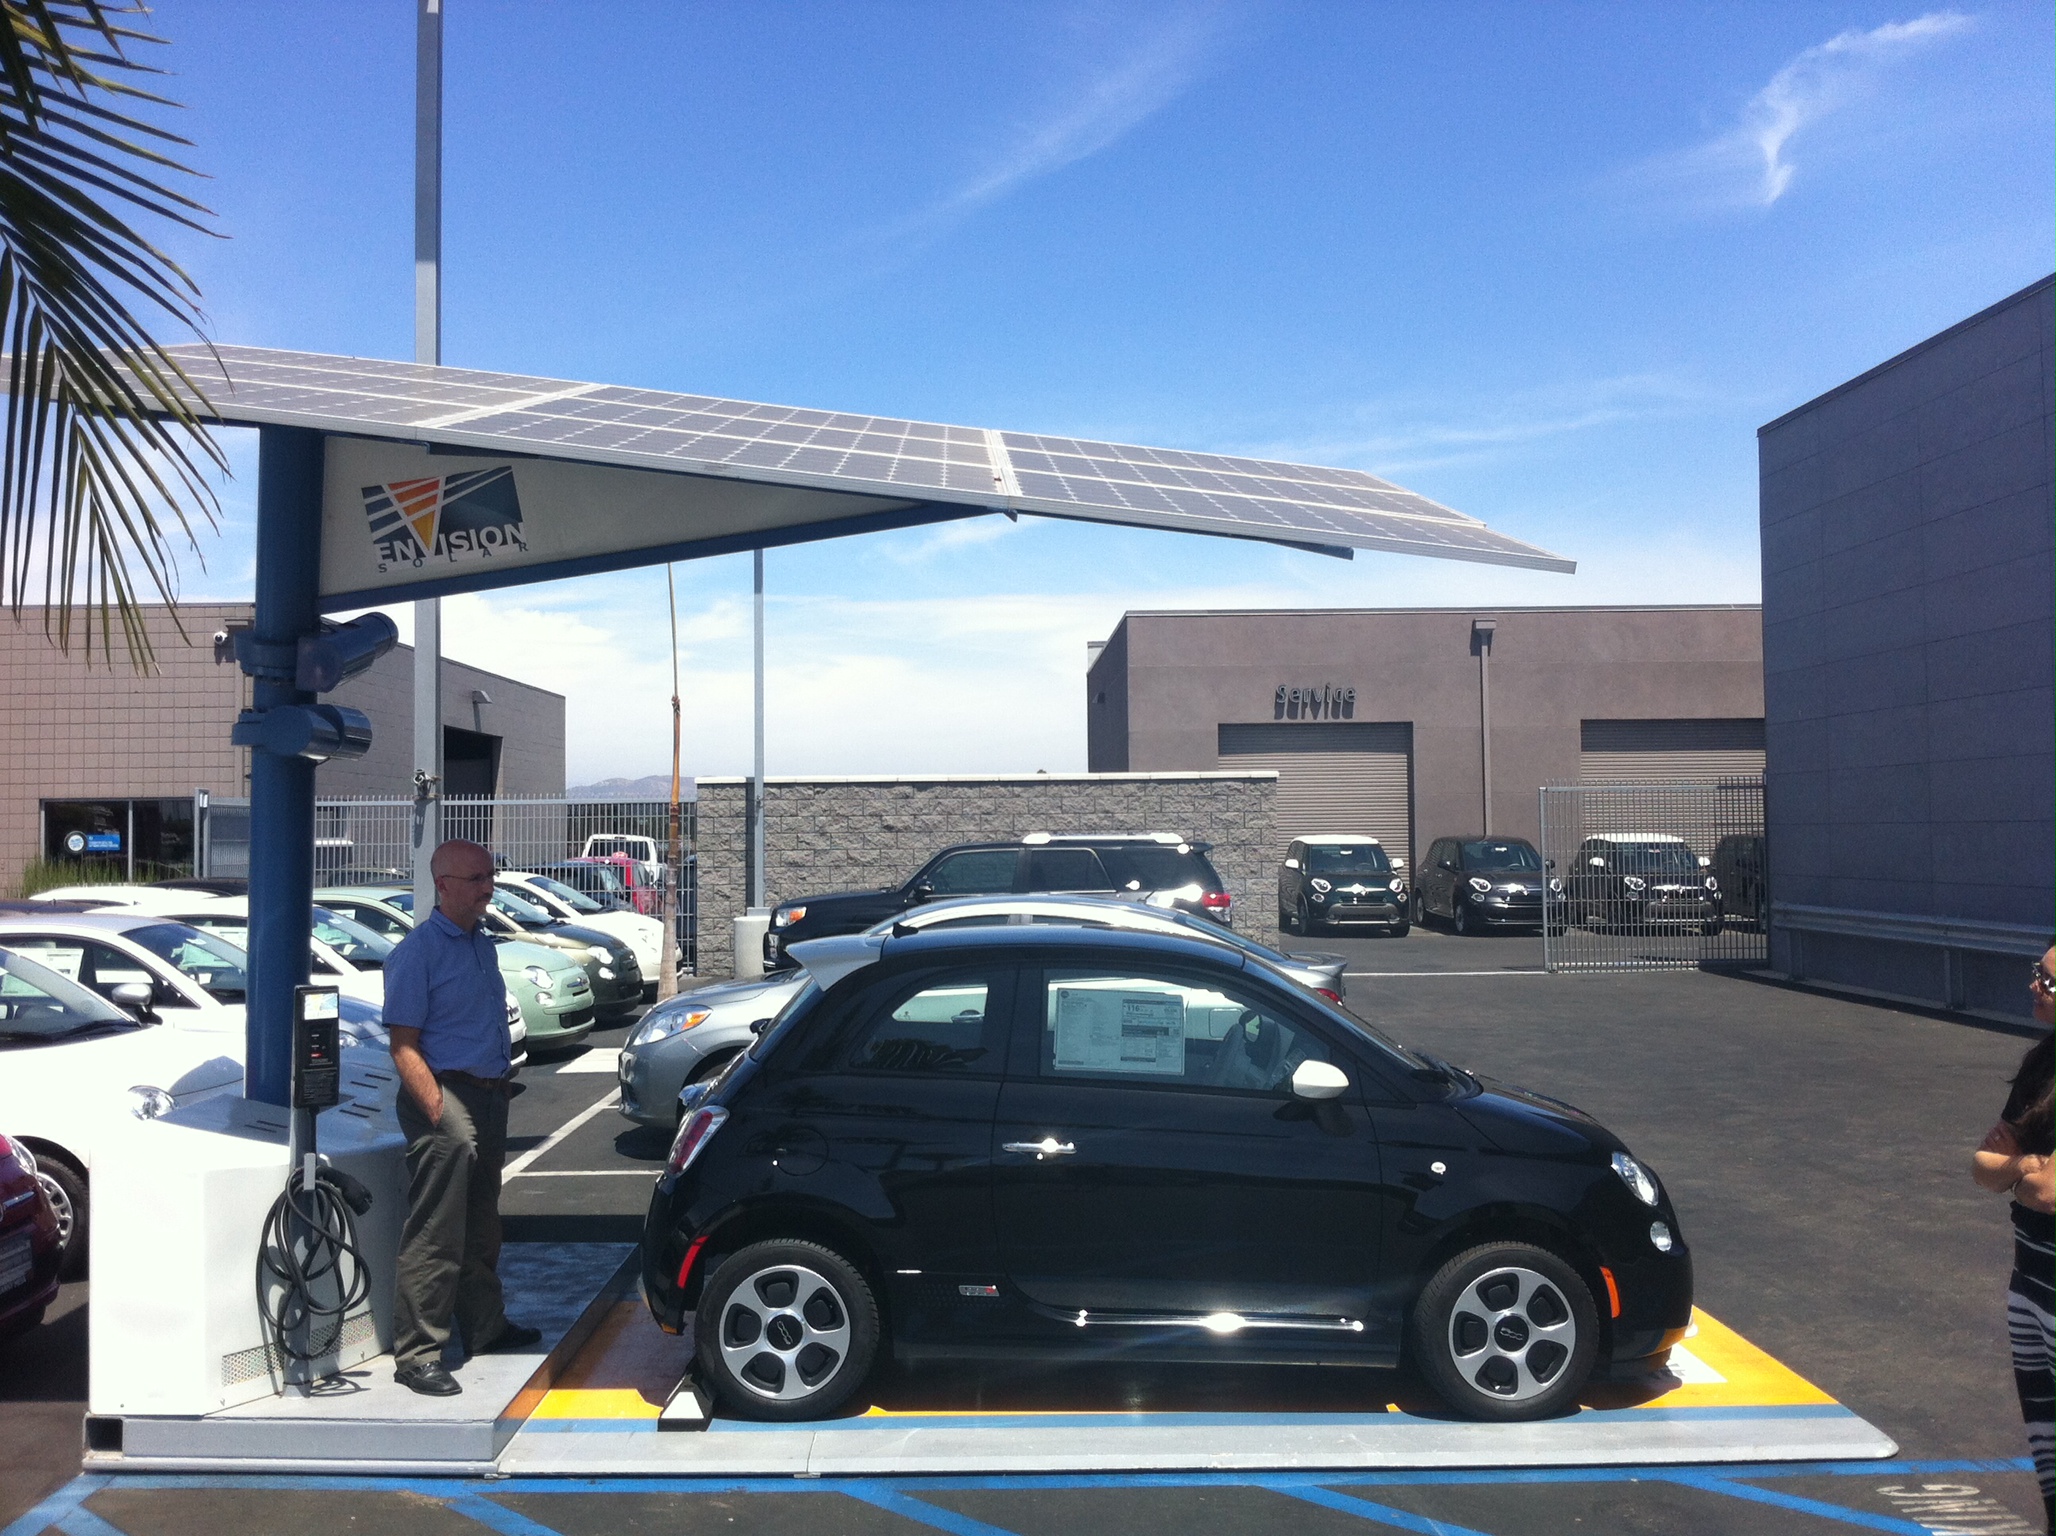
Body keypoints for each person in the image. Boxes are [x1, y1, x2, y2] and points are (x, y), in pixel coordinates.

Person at [384, 838, 540, 1396]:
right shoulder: (418, 952)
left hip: (488, 1095)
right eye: (475, 879)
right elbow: (403, 1044)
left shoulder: (481, 945)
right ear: (443, 885)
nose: (487, 888)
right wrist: (438, 1109)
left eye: (489, 876)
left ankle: (485, 1328)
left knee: (482, 1225)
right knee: (437, 1230)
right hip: (446, 1096)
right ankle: (418, 1353)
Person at [1973, 939, 2056, 1529]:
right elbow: (1984, 1165)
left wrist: (2021, 1171)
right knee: (2045, 1432)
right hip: (2029, 1282)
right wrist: (2027, 1166)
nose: (2035, 986)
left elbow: (2052, 1194)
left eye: (2048, 981)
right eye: (2037, 973)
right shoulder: (2040, 1067)